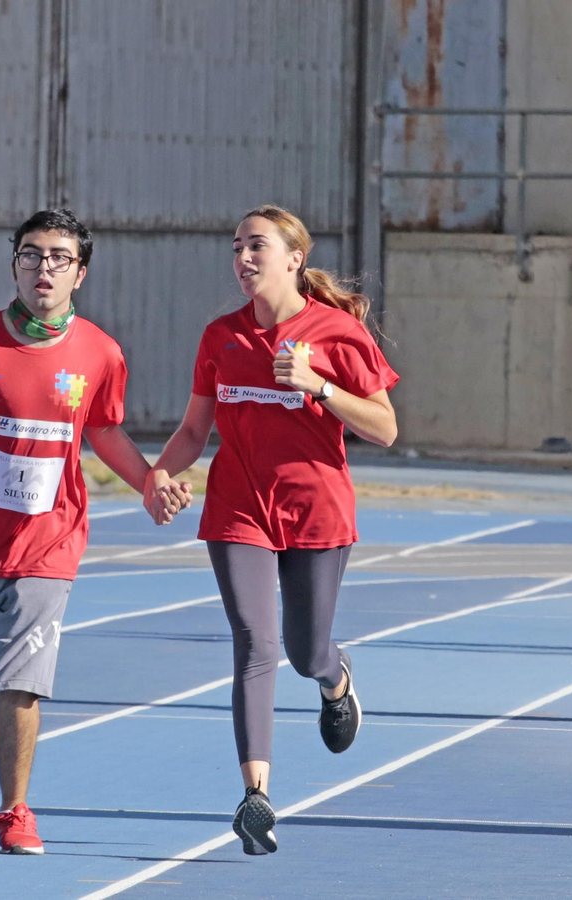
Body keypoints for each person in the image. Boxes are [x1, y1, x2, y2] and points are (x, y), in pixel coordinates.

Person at [0, 209, 192, 854]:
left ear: (79, 273)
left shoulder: (100, 352)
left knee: (21, 682)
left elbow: (104, 430)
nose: (44, 267)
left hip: (52, 542)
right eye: (31, 254)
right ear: (15, 265)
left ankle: (14, 811)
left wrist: (150, 482)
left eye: (59, 257)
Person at [148, 205, 400, 856]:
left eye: (257, 246)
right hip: (239, 508)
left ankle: (335, 678)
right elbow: (194, 430)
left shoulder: (337, 333)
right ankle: (255, 796)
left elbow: (385, 427)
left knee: (303, 652)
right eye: (236, 247)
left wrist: (319, 387)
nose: (243, 258)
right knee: (255, 643)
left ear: (294, 258)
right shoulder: (221, 338)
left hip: (317, 509)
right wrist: (159, 476)